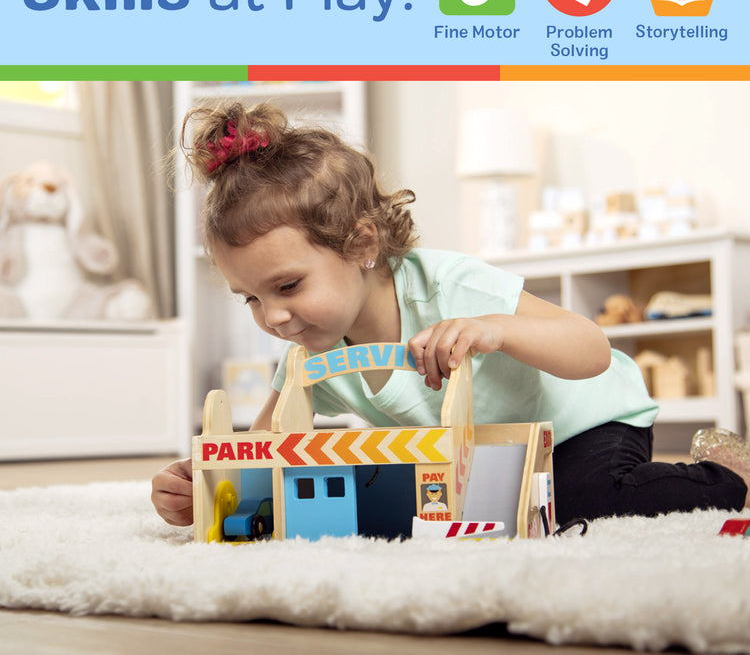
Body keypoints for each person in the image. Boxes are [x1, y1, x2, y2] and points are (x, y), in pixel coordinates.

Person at [152, 101, 749, 529]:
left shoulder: (451, 285)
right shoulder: (311, 352)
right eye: (251, 298)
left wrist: (496, 330)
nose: (274, 317)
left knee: (579, 501)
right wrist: (202, 489)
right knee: (422, 508)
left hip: (582, 424)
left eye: (287, 285)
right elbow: (263, 453)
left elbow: (591, 348)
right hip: (480, 451)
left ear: (361, 245)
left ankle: (727, 472)